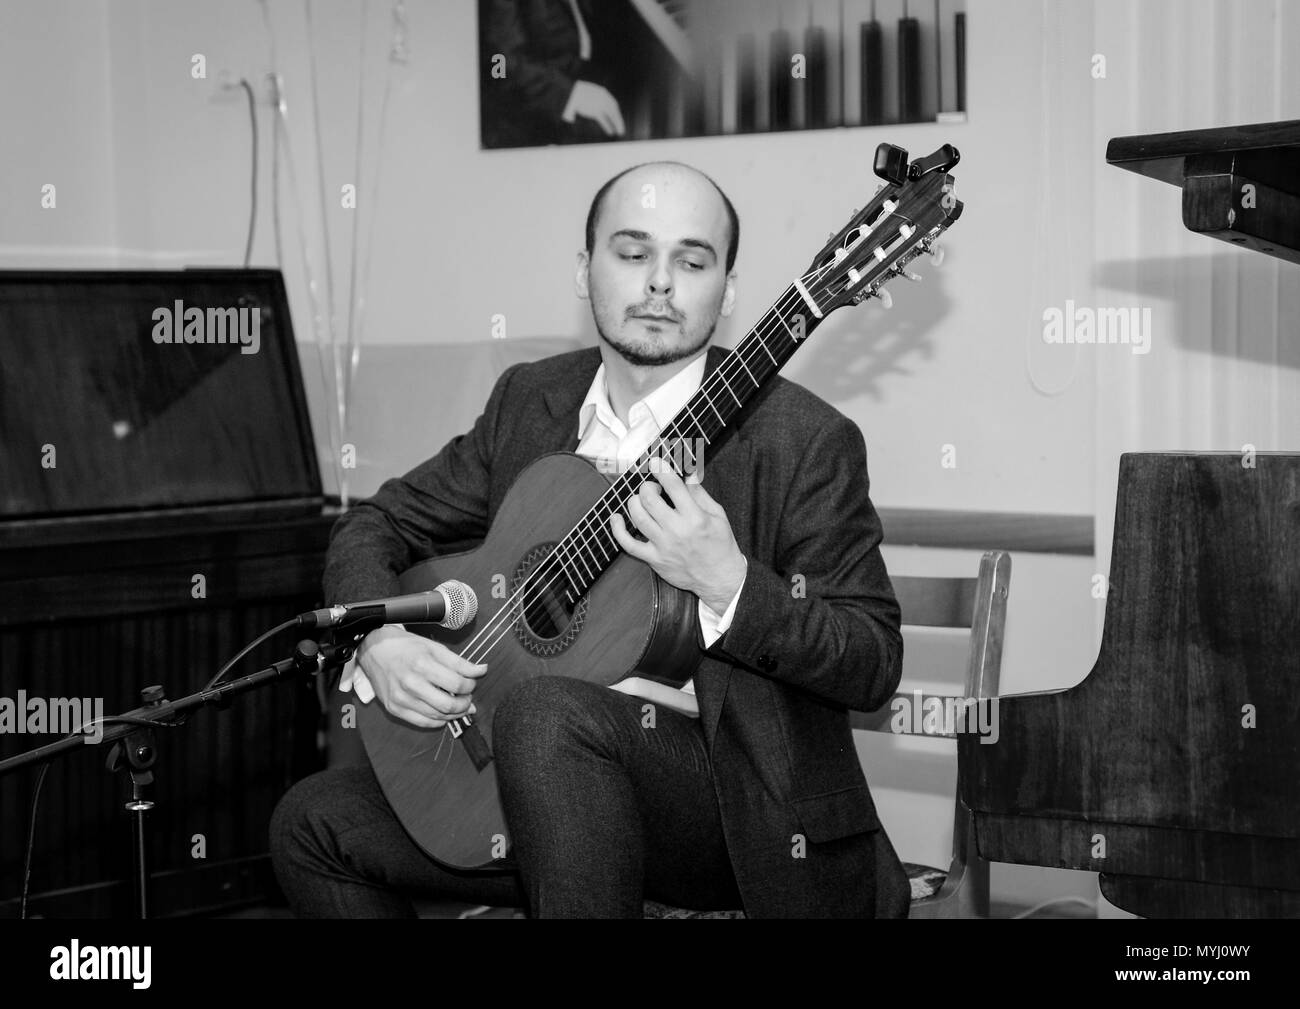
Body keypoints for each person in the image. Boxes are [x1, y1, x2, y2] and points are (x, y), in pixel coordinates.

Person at [270, 160, 909, 918]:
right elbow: (374, 523)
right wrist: (378, 640)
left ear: (729, 290)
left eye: (692, 260)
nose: (660, 283)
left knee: (545, 715)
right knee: (310, 821)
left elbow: (871, 659)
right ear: (585, 270)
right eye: (633, 253)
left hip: (737, 819)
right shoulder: (530, 401)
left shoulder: (803, 440)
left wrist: (729, 584)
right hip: (528, 797)